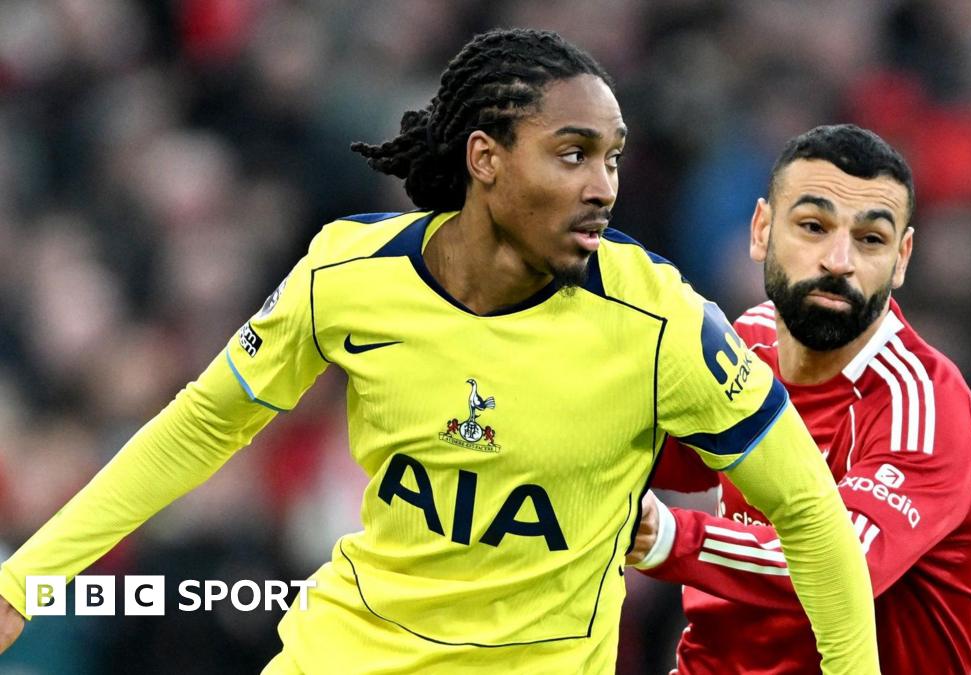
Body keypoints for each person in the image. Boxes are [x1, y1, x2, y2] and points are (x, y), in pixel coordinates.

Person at [0, 31, 879, 673]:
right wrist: (27, 579)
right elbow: (200, 428)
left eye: (611, 158)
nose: (602, 185)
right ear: (485, 159)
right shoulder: (350, 273)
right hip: (344, 650)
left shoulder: (662, 326)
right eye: (571, 154)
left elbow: (808, 510)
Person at [628, 124, 971, 674]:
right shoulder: (745, 343)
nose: (838, 260)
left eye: (870, 239)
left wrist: (669, 536)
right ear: (761, 230)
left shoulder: (926, 412)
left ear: (901, 259)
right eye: (813, 226)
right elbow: (655, 451)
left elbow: (836, 563)